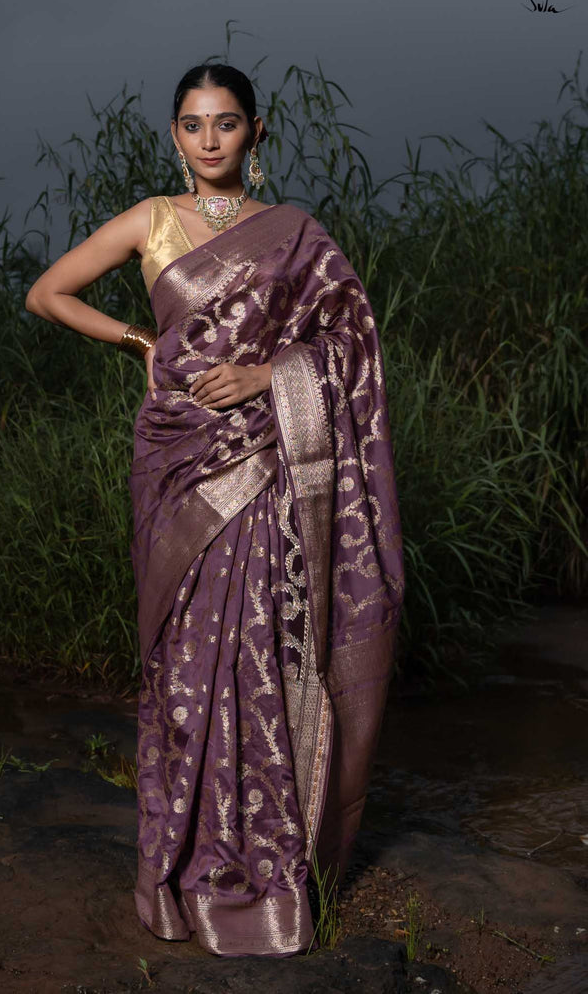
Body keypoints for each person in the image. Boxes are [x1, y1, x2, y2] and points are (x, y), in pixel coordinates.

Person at [25, 63, 405, 958]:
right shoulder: (151, 220)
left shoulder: (296, 233)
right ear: (173, 134)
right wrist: (141, 341)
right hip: (177, 460)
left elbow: (351, 340)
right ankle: (182, 857)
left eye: (225, 123)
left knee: (259, 647)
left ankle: (264, 857)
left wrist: (269, 375)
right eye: (193, 125)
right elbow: (47, 293)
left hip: (268, 456)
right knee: (184, 660)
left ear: (255, 133)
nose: (208, 140)